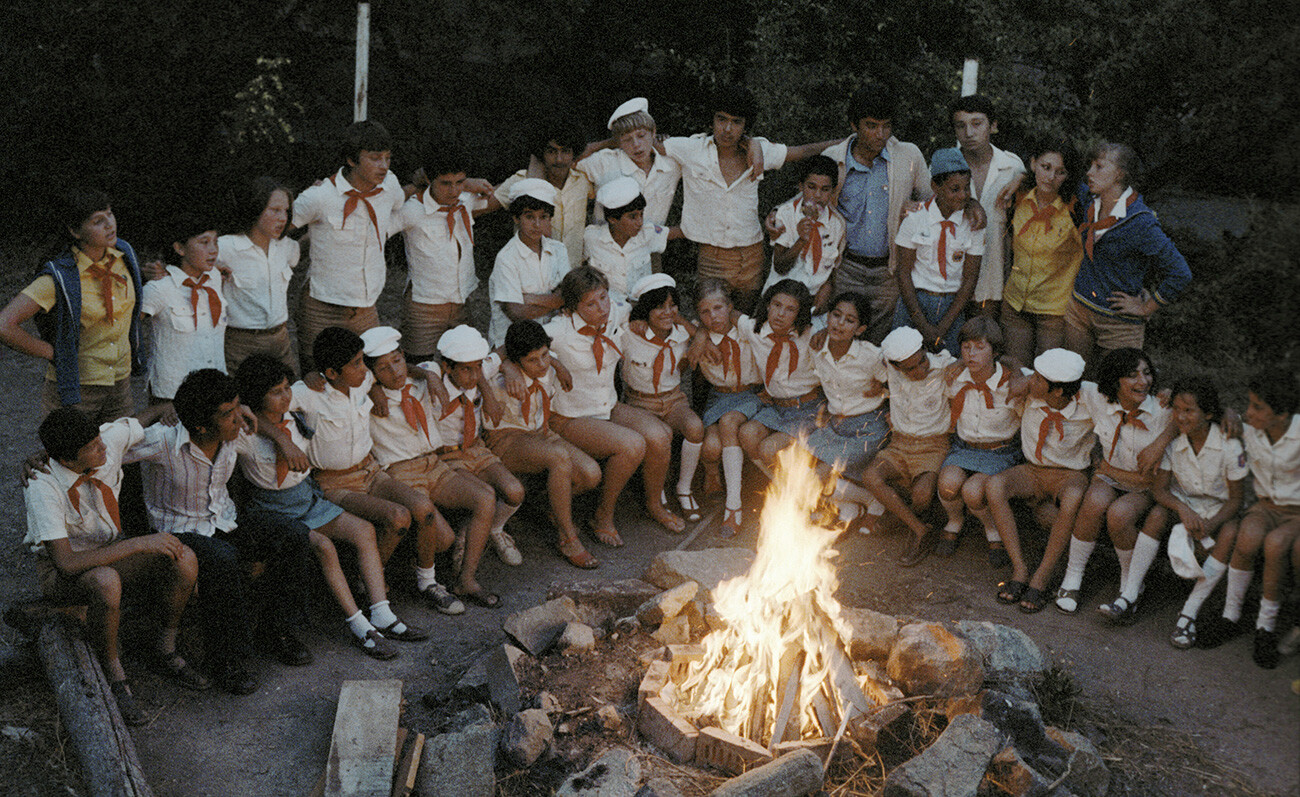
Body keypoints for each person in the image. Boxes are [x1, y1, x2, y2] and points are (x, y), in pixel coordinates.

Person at [130, 369, 316, 695]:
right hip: (180, 531)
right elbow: (109, 443)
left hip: (225, 521)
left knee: (294, 534)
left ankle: (277, 631)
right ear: (200, 426)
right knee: (222, 559)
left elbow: (257, 420)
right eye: (228, 414)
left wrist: (277, 435)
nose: (238, 419)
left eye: (237, 408)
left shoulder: (234, 433)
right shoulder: (162, 441)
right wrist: (49, 457)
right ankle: (228, 662)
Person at [233, 354, 426, 660]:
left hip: (307, 498)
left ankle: (381, 613)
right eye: (276, 392)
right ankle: (360, 626)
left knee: (363, 531)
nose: (286, 397)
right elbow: (234, 417)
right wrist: (279, 439)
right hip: (274, 510)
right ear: (256, 397)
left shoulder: (296, 417)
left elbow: (314, 389)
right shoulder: (244, 433)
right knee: (324, 547)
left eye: (286, 388)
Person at [24, 407, 208, 724]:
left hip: (110, 550)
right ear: (67, 460)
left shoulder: (105, 441)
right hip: (64, 573)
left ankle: (165, 647)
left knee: (184, 557)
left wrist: (166, 410)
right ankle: (114, 673)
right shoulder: (42, 486)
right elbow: (66, 564)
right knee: (107, 580)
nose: (105, 450)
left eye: (100, 440)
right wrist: (136, 544)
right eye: (94, 448)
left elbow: (141, 420)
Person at [287, 327, 463, 614]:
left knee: (424, 509)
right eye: (357, 363)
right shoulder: (309, 393)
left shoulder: (362, 380)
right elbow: (262, 407)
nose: (365, 368)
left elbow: (395, 369)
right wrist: (282, 439)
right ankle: (367, 581)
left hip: (371, 472)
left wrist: (427, 374)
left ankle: (428, 583)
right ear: (331, 373)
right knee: (397, 517)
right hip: (336, 483)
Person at [538, 266, 683, 540]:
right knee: (632, 445)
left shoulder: (614, 311)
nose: (601, 308)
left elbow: (648, 308)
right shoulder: (558, 330)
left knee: (661, 435)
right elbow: (514, 345)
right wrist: (555, 362)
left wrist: (693, 333)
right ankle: (603, 515)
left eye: (603, 297)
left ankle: (654, 504)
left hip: (607, 406)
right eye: (590, 304)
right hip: (571, 416)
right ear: (571, 307)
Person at [661, 84, 835, 312]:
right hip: (713, 256)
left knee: (744, 323)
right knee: (712, 321)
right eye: (721, 119)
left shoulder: (759, 150)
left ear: (745, 125)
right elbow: (644, 144)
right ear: (712, 120)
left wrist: (851, 142)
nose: (727, 129)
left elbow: (802, 151)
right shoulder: (691, 149)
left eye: (736, 122)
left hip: (752, 254)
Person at [0, 189, 144, 421]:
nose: (110, 224)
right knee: (70, 455)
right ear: (74, 231)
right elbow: (4, 325)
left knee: (124, 452)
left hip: (120, 382)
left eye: (110, 214)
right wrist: (54, 353)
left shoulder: (124, 256)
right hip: (77, 388)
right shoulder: (60, 276)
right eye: (98, 221)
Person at [1054, 348, 1173, 617]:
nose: (1143, 381)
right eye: (1132, 376)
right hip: (1110, 475)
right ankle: (1073, 578)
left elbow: (1199, 409)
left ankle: (1131, 584)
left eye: (1146, 373)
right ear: (1113, 381)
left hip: (1145, 486)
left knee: (1119, 515)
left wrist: (1161, 440)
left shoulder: (1163, 411)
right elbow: (1053, 375)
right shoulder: (1097, 398)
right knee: (1094, 501)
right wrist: (1009, 366)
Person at [816, 84, 932, 343]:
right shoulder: (834, 157)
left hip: (889, 271)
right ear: (853, 125)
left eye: (887, 126)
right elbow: (811, 197)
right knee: (839, 341)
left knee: (880, 345)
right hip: (844, 267)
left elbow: (935, 203)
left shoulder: (908, 155)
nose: (880, 134)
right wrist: (779, 215)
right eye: (871, 125)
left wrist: (917, 210)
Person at [1201, 369, 1300, 668]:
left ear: (1282, 415)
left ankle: (1265, 627)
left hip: (1297, 512)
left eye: (1257, 407)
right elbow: (1220, 415)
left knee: (1275, 544)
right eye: (1249, 404)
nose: (1248, 412)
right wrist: (1228, 411)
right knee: (1247, 537)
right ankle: (1231, 615)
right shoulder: (1252, 429)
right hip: (1265, 507)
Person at [486, 319, 603, 569]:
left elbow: (548, 356)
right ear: (516, 360)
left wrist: (556, 363)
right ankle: (568, 538)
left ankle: (546, 506)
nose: (541, 364)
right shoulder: (499, 378)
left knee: (591, 474)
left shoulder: (549, 365)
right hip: (508, 439)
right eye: (531, 360)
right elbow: (478, 370)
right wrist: (506, 365)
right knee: (559, 457)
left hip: (541, 433)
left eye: (544, 356)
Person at [984, 348, 1094, 613]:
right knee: (995, 485)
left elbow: (1121, 400)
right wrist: (1022, 377)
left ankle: (1041, 578)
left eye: (1037, 380)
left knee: (1073, 498)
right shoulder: (1035, 388)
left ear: (1057, 391)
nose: (1031, 381)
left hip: (1069, 475)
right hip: (1033, 470)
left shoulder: (1091, 398)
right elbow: (1011, 360)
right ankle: (1020, 568)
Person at [291, 120, 405, 370]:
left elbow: (399, 208)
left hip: (365, 309)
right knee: (317, 377)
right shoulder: (320, 196)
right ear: (352, 160)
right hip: (321, 307)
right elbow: (279, 225)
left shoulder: (390, 186)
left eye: (387, 158)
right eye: (375, 158)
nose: (384, 166)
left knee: (368, 375)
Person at [1064, 142, 1191, 363]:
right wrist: (1019, 179)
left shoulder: (1140, 221)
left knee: (1114, 388)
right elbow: (1059, 179)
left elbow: (1180, 273)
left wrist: (1146, 307)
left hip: (1119, 324)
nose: (1089, 172)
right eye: (1091, 165)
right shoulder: (1089, 200)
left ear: (1120, 174)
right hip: (1078, 310)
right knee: (1075, 380)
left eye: (1099, 167)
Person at [1147, 377, 1246, 649]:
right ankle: (1129, 594)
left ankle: (1189, 612)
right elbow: (1160, 491)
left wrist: (1211, 524)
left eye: (1189, 410)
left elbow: (1236, 500)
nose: (1180, 416)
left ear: (1209, 414)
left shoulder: (1229, 444)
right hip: (1184, 505)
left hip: (1218, 511)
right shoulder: (1175, 441)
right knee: (1157, 513)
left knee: (1231, 530)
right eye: (1177, 409)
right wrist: (1183, 509)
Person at [428, 325, 526, 591]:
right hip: (447, 456)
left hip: (476, 448)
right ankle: (469, 557)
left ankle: (491, 530)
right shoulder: (433, 377)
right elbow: (420, 368)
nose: (474, 376)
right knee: (484, 495)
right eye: (466, 370)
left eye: (477, 368)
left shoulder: (478, 370)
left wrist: (509, 368)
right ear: (448, 368)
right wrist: (429, 374)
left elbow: (504, 350)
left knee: (515, 491)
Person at [862, 326, 958, 566]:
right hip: (899, 444)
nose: (920, 370)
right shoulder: (888, 368)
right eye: (911, 368)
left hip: (933, 447)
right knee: (870, 476)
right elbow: (868, 358)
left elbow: (981, 364)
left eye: (922, 361)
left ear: (925, 350)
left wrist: (962, 365)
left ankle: (899, 516)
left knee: (922, 495)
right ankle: (920, 530)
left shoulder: (946, 367)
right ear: (894, 366)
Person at [935, 317, 1024, 558]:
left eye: (980, 347)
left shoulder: (1011, 384)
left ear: (995, 351)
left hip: (1000, 451)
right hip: (964, 448)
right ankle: (955, 521)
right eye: (966, 347)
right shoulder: (955, 377)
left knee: (974, 491)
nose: (971, 354)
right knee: (947, 484)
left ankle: (991, 528)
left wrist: (1015, 369)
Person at [396, 148, 493, 362]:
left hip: (461, 303)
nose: (454, 191)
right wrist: (412, 187)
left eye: (460, 182)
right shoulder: (412, 210)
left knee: (465, 364)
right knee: (418, 367)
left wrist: (473, 186)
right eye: (446, 183)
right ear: (429, 179)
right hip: (424, 307)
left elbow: (504, 195)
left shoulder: (465, 202)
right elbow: (378, 218)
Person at [622, 274, 704, 523]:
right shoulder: (629, 333)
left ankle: (684, 488)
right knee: (662, 437)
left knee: (695, 427)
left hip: (673, 400)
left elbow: (703, 332)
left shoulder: (681, 332)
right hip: (639, 402)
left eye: (672, 306)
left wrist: (699, 337)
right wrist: (632, 318)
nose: (667, 312)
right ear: (646, 309)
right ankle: (656, 494)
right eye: (659, 307)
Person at [804, 291, 889, 529]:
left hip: (868, 428)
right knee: (798, 464)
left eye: (849, 320)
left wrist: (884, 391)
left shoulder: (871, 356)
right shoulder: (817, 348)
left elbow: (898, 383)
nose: (840, 323)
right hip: (836, 426)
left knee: (818, 475)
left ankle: (872, 500)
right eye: (836, 315)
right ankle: (848, 506)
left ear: (860, 329)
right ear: (828, 317)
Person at [893, 148, 984, 355]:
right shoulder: (915, 219)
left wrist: (943, 326)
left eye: (966, 188)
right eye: (954, 189)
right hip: (914, 302)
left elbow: (970, 278)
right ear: (935, 186)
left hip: (953, 306)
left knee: (947, 367)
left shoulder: (973, 224)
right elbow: (904, 273)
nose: (963, 195)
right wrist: (922, 324)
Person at [689, 278, 762, 537]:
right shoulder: (698, 333)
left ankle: (734, 507)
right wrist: (698, 333)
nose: (713, 317)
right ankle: (711, 472)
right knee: (710, 447)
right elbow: (682, 323)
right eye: (705, 312)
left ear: (730, 306)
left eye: (719, 308)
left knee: (729, 423)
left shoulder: (749, 330)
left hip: (751, 394)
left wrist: (699, 332)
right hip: (718, 397)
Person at [1001, 137, 1084, 365]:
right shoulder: (1017, 198)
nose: (1050, 177)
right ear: (1033, 163)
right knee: (1016, 371)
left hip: (1054, 311)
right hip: (1015, 304)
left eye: (1060, 172)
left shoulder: (1075, 209)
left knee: (1048, 375)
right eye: (1045, 167)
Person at [217, 176, 300, 374]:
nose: (283, 218)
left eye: (286, 211)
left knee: (289, 393)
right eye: (275, 210)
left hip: (280, 339)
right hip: (240, 343)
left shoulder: (287, 247)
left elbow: (298, 256)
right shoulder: (225, 247)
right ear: (255, 208)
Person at [950, 94, 1026, 312]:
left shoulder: (1011, 167)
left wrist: (1023, 178)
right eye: (961, 126)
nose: (969, 133)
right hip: (951, 279)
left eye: (977, 124)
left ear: (993, 126)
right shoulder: (945, 167)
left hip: (995, 279)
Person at [140, 215, 227, 402]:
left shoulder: (214, 278)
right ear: (179, 248)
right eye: (204, 242)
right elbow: (127, 327)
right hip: (173, 396)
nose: (213, 250)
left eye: (215, 242)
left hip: (215, 389)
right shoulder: (159, 288)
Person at [736, 279, 822, 466]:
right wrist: (702, 336)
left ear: (799, 313)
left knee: (769, 448)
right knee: (747, 434)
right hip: (777, 408)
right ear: (767, 305)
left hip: (808, 408)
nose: (781, 314)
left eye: (790, 309)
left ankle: (798, 487)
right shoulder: (755, 329)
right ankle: (778, 485)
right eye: (777, 305)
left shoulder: (812, 336)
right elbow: (730, 314)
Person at [493, 122, 591, 270]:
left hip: (572, 274)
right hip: (532, 273)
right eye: (552, 152)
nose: (559, 159)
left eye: (565, 151)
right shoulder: (522, 181)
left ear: (574, 154)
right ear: (542, 154)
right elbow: (482, 204)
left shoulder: (584, 181)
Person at [487, 179, 571, 347]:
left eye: (543, 217)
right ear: (516, 218)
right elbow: (516, 313)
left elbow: (568, 295)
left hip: (553, 335)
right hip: (514, 342)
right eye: (529, 216)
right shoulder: (507, 258)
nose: (537, 224)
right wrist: (555, 301)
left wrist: (530, 298)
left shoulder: (558, 249)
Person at [577, 97, 682, 227]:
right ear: (618, 142)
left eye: (641, 135)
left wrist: (669, 144)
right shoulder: (604, 161)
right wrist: (607, 143)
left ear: (654, 132)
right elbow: (569, 162)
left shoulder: (672, 164)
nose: (636, 145)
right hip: (605, 245)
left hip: (650, 245)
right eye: (627, 139)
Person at [764, 155, 847, 316]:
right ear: (801, 186)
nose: (817, 195)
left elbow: (830, 268)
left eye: (825, 189)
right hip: (780, 299)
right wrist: (801, 240)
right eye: (811, 187)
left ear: (833, 190)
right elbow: (780, 266)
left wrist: (826, 289)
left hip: (812, 302)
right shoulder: (786, 215)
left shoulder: (837, 224)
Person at [583, 177, 683, 304]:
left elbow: (680, 232)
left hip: (641, 307)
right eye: (633, 217)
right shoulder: (592, 238)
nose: (640, 222)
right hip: (608, 310)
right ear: (613, 219)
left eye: (641, 214)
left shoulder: (647, 233)